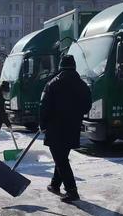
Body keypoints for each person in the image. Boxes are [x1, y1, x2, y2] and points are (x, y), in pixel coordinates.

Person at [39, 54, 92, 203]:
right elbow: (87, 105)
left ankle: (72, 191)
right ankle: (55, 185)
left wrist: (43, 124)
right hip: (72, 127)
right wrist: (75, 114)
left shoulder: (53, 84)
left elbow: (44, 106)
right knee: (61, 156)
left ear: (60, 66)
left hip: (55, 128)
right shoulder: (82, 85)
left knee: (61, 159)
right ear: (74, 67)